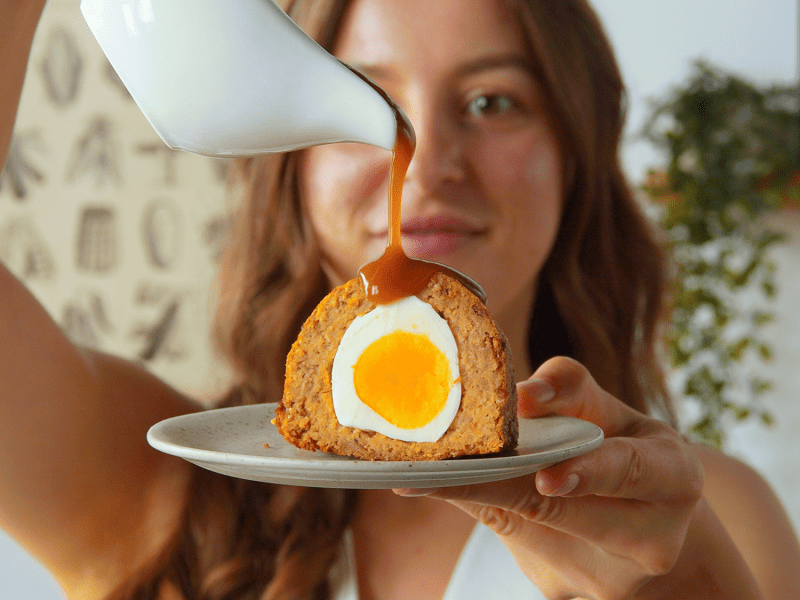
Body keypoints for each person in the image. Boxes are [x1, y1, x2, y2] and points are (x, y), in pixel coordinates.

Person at [2, 0, 799, 598]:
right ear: (294, 170)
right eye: (362, 98)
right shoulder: (152, 491)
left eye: (492, 102)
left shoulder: (704, 518)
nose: (426, 162)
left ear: (575, 157)